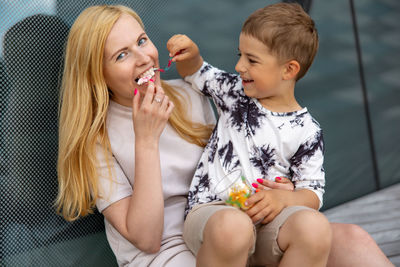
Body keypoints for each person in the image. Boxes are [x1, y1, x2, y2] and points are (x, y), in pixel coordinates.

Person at [55, 4, 393, 267]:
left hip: (236, 225)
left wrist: (282, 189)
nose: (144, 57)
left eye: (142, 41)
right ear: (96, 73)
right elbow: (146, 239)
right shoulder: (95, 141)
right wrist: (146, 140)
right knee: (232, 230)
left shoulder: (187, 95)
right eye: (121, 55)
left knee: (352, 240)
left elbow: (238, 156)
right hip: (171, 252)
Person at [166, 3, 394, 267]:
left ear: (289, 70)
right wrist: (191, 55)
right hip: (214, 217)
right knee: (233, 227)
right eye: (239, 54)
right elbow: (196, 73)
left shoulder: (308, 131)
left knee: (314, 227)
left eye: (252, 60)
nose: (239, 66)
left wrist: (286, 198)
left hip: (266, 230)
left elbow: (312, 192)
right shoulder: (234, 92)